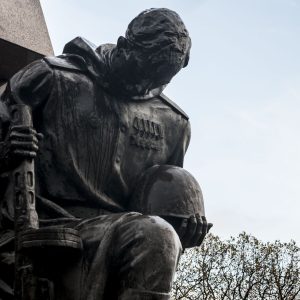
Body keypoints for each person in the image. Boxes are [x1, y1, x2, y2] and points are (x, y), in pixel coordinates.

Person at [0, 8, 212, 300]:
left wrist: (182, 229)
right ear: (124, 47)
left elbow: (157, 211)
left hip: (121, 234)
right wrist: (6, 149)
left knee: (159, 237)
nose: (145, 86)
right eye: (143, 73)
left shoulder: (174, 123)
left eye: (159, 80)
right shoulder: (52, 77)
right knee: (153, 235)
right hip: (43, 225)